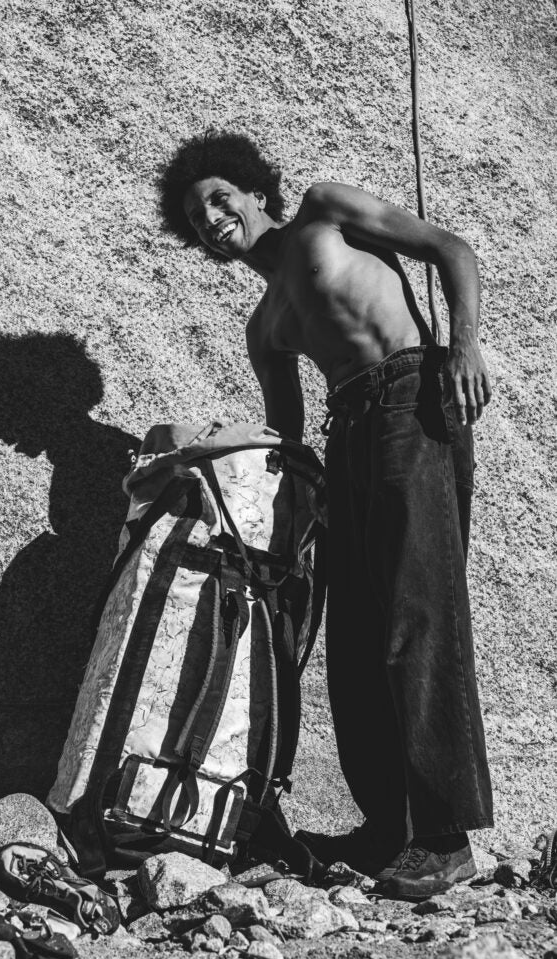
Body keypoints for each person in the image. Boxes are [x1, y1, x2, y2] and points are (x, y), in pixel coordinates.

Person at [158, 131, 494, 900]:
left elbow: (452, 250)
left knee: (417, 614)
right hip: (348, 440)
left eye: (219, 199)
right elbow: (287, 439)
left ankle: (442, 840)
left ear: (256, 196)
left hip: (413, 399)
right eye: (196, 216)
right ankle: (387, 830)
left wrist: (465, 348)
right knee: (352, 639)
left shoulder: (324, 211)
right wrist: (209, 459)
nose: (212, 218)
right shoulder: (264, 326)